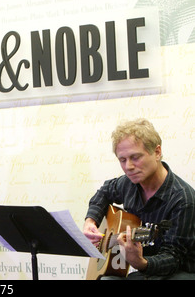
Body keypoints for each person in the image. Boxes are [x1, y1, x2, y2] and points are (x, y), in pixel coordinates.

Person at [83, 118, 195, 280]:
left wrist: (141, 263)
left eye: (135, 157)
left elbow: (174, 257)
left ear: (157, 152)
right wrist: (91, 221)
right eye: (122, 160)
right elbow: (104, 192)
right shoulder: (128, 184)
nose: (128, 166)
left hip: (180, 273)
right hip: (145, 272)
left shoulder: (183, 200)